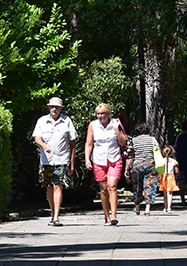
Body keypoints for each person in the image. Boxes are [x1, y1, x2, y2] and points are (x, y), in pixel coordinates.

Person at [33, 96, 77, 226]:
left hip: (61, 159)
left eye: (57, 107)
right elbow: (37, 138)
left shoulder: (67, 121)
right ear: (49, 108)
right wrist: (44, 146)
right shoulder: (42, 121)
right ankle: (53, 213)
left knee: (58, 185)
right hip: (46, 161)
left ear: (61, 109)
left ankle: (56, 216)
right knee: (48, 186)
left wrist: (72, 162)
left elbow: (73, 143)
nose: (54, 109)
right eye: (52, 106)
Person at [84, 103, 128, 226]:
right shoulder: (93, 125)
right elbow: (89, 144)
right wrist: (87, 159)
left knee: (112, 186)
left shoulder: (116, 123)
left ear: (108, 113)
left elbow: (123, 142)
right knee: (103, 189)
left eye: (102, 113)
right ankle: (106, 216)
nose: (100, 116)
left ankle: (114, 215)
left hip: (114, 158)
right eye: (98, 114)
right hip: (98, 159)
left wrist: (116, 130)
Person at [128, 123, 160, 215]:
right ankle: (147, 209)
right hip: (150, 164)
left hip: (136, 165)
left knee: (136, 187)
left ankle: (137, 208)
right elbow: (158, 151)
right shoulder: (152, 139)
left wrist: (126, 169)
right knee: (150, 186)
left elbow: (130, 155)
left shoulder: (133, 141)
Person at [160, 146, 179, 213]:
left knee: (164, 193)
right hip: (171, 177)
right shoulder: (174, 161)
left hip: (163, 176)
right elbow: (176, 171)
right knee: (170, 193)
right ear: (171, 153)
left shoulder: (161, 161)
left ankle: (165, 207)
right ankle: (169, 207)